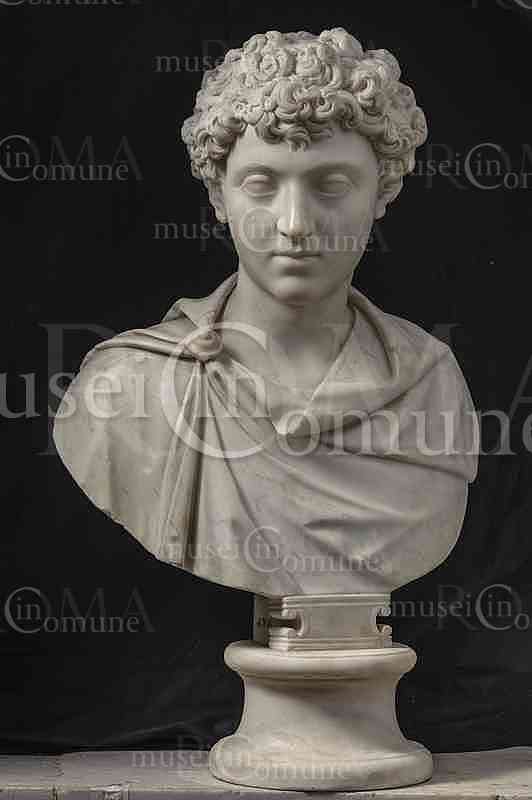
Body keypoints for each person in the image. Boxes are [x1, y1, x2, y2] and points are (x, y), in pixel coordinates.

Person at [53, 28, 478, 598]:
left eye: (332, 185)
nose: (294, 223)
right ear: (218, 195)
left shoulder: (428, 384)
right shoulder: (128, 388)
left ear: (383, 192)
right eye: (260, 185)